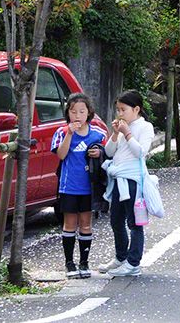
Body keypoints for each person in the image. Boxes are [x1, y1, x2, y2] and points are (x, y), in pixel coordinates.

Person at [99, 90, 155, 277]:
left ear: (136, 109)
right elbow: (108, 151)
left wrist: (127, 133)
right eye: (118, 110)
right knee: (116, 220)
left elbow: (141, 153)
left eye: (123, 110)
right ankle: (121, 256)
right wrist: (115, 134)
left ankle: (133, 263)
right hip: (118, 178)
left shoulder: (145, 127)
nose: (120, 114)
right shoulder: (122, 128)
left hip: (133, 180)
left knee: (134, 222)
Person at [51, 93, 106, 279]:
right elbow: (61, 155)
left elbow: (107, 154)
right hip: (69, 187)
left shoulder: (97, 134)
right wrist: (69, 133)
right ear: (67, 113)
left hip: (89, 188)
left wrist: (98, 153)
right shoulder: (61, 133)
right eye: (73, 111)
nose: (77, 116)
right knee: (69, 224)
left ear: (89, 113)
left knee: (86, 224)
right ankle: (69, 263)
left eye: (82, 111)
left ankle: (84, 262)